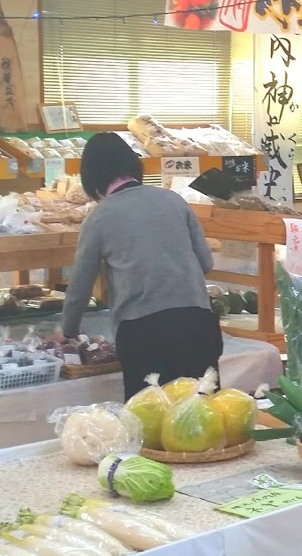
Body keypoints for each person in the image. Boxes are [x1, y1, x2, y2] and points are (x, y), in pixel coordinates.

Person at [61, 132, 223, 400]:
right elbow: (206, 262)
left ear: (91, 176)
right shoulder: (174, 200)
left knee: (151, 421)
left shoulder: (99, 218)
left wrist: (69, 331)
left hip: (144, 333)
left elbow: (80, 287)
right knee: (203, 414)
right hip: (197, 323)